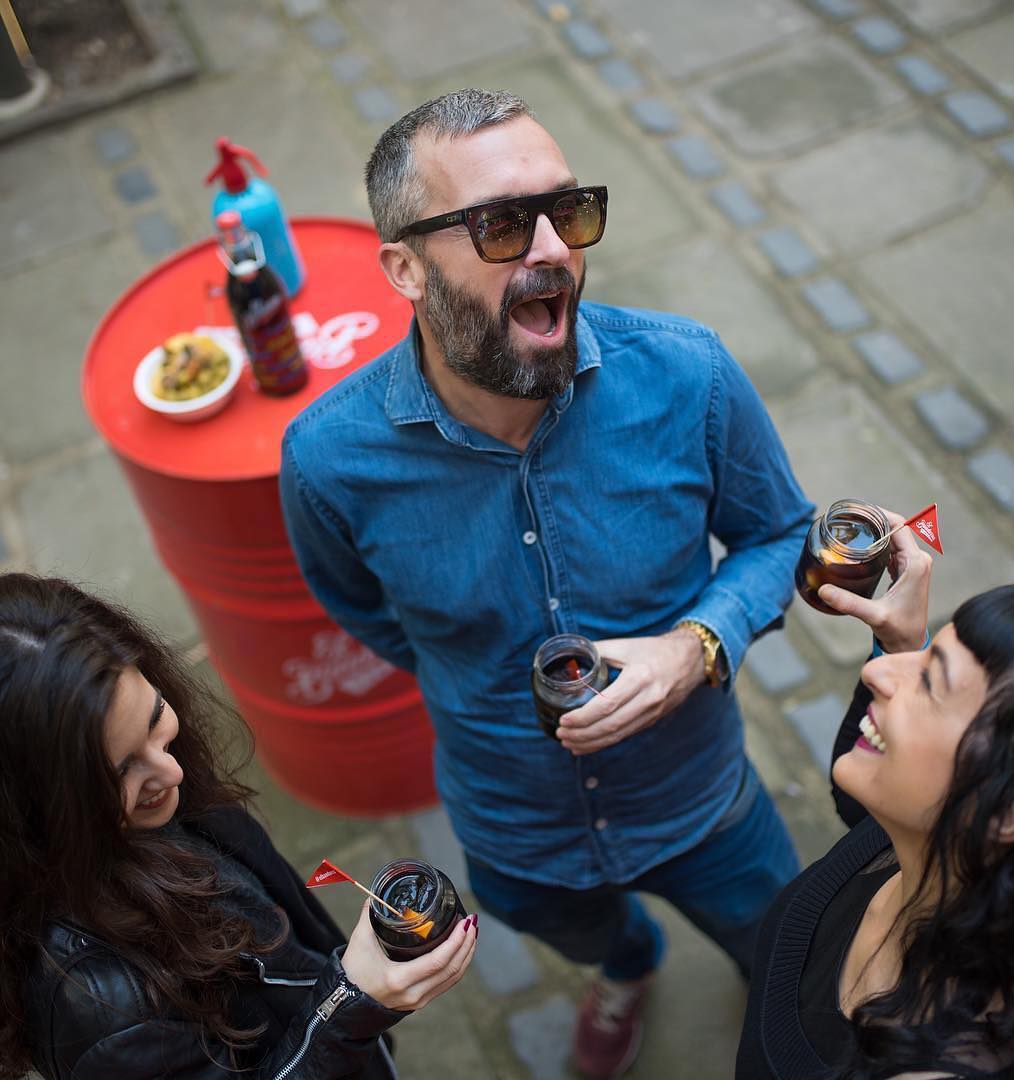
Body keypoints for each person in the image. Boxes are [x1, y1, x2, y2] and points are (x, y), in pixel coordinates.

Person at [279, 88, 814, 1077]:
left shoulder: (688, 375)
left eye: (567, 212)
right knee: (591, 937)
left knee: (789, 957)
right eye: (496, 224)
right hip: (513, 832)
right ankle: (628, 967)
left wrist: (695, 647)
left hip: (702, 799)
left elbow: (782, 533)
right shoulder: (329, 457)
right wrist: (471, 670)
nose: (552, 249)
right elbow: (362, 607)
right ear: (403, 266)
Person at [0, 573, 477, 1080]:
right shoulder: (105, 1014)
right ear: (39, 807)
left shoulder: (147, 808)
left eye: (155, 718)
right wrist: (344, 1009)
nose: (173, 772)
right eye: (121, 771)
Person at [736, 515, 1014, 1078]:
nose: (880, 674)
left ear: (1007, 811)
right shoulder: (920, 835)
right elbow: (856, 804)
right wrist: (901, 640)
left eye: (930, 681)